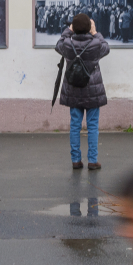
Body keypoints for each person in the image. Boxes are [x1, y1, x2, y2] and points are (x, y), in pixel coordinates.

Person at [56, 14, 110, 170]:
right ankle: (92, 161)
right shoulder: (96, 44)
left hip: (74, 90)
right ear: (89, 27)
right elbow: (106, 47)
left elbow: (58, 44)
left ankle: (76, 160)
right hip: (92, 91)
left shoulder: (67, 44)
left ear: (73, 27)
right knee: (93, 126)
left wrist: (69, 30)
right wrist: (95, 32)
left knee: (75, 126)